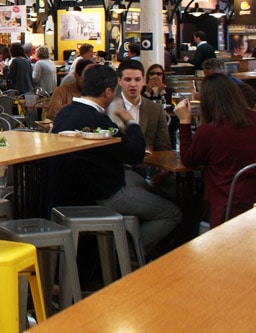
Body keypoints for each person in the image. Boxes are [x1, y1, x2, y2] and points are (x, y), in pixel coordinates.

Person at [49, 64, 181, 255]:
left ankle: (123, 249)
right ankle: (126, 253)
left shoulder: (65, 114)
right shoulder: (99, 121)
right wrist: (129, 120)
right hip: (104, 195)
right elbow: (135, 153)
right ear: (110, 91)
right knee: (172, 212)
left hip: (69, 194)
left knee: (145, 189)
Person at [175, 73, 256, 226]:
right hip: (252, 204)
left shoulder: (209, 131)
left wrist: (184, 121)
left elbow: (189, 160)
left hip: (226, 207)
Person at [108, 60, 171, 152]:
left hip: (149, 163)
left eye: (137, 79)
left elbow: (164, 146)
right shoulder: (109, 107)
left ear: (144, 81)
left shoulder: (155, 109)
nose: (133, 85)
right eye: (128, 79)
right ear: (119, 81)